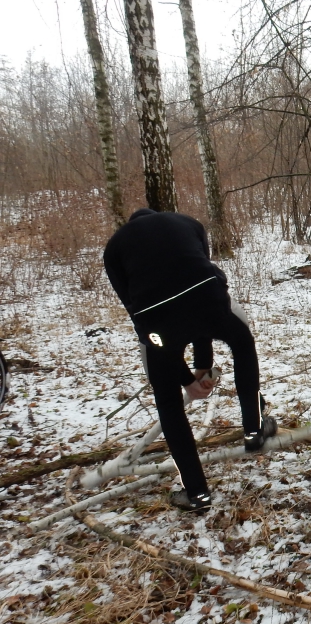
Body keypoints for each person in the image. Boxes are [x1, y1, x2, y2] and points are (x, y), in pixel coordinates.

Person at [104, 208, 277, 513]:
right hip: (207, 296)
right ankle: (254, 431)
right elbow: (195, 284)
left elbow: (134, 310)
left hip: (156, 318)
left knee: (168, 402)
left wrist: (187, 378)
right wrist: (199, 367)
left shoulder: (114, 247)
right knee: (242, 342)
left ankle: (197, 492)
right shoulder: (187, 223)